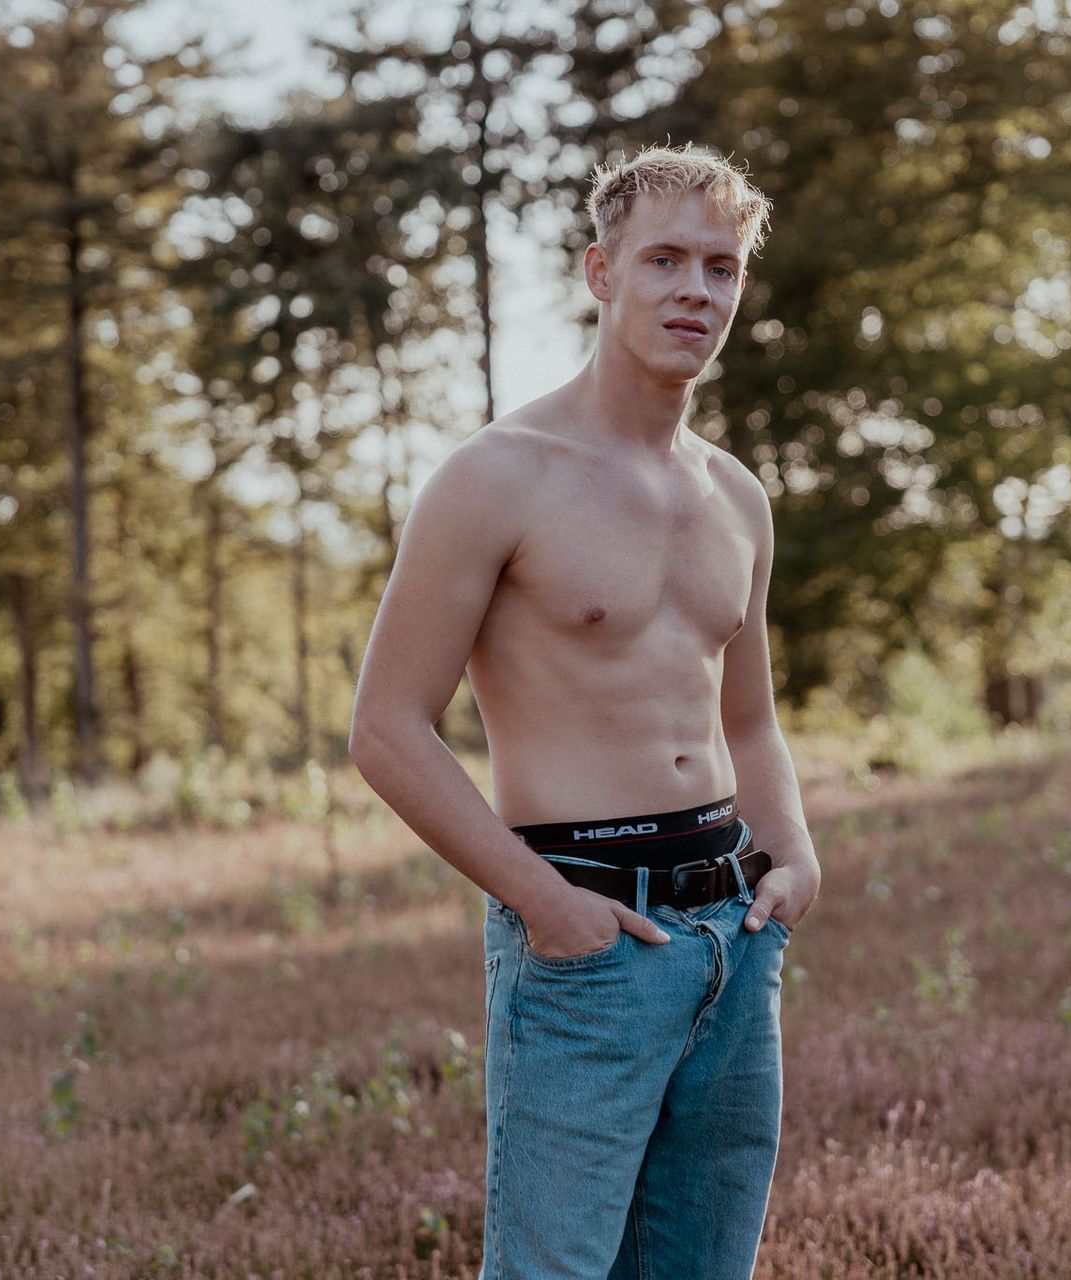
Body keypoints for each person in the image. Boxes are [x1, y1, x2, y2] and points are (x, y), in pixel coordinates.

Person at [348, 143, 821, 1280]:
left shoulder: (736, 495)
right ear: (601, 273)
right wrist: (545, 903)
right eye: (663, 260)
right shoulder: (499, 475)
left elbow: (748, 722)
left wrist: (795, 854)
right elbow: (386, 727)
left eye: (720, 266)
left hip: (733, 938)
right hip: (588, 944)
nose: (694, 291)